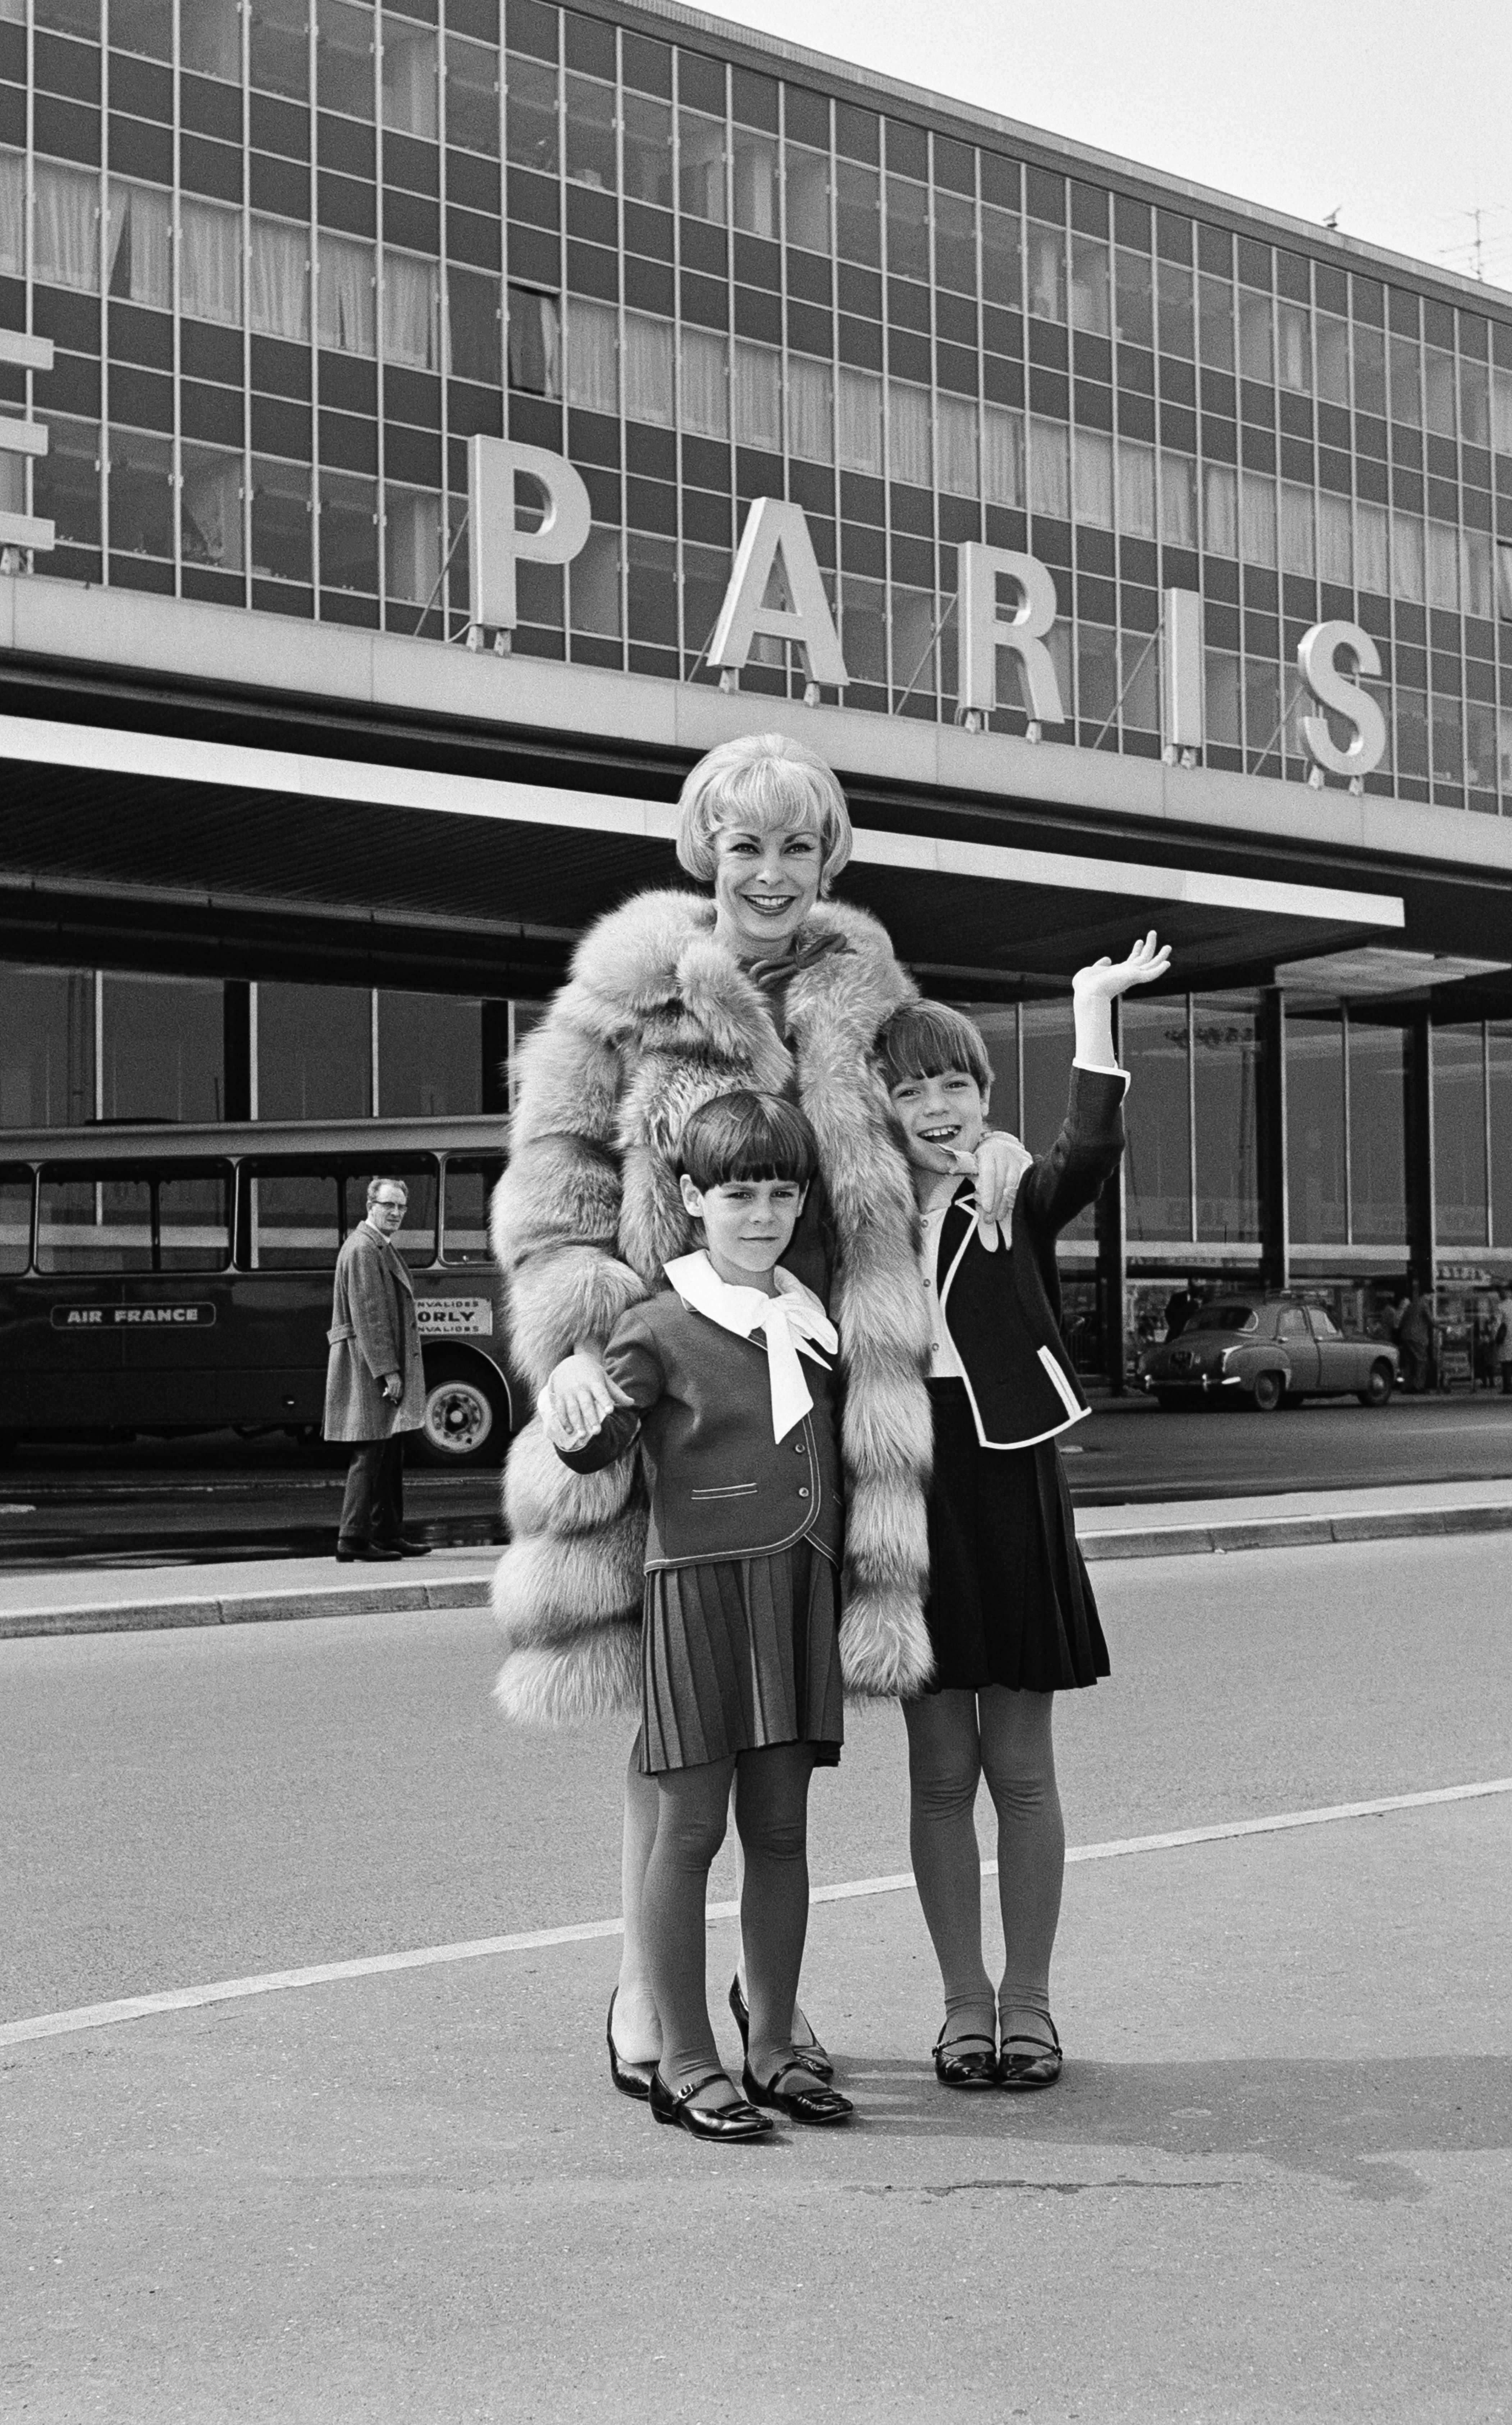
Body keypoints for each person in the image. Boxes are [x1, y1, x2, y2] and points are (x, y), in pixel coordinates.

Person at [491, 730, 1032, 2100]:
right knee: (668, 1729)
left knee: (779, 1736)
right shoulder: (614, 1008)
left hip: (830, 1407)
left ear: (829, 860)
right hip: (666, 1390)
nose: (772, 874)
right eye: (747, 846)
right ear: (704, 853)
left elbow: (939, 1138)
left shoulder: (873, 1006)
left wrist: (997, 1155)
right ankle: (643, 1990)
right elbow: (550, 1210)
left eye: (800, 847)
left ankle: (770, 2015)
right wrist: (577, 1336)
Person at [876, 931, 1173, 2094]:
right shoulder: (862, 1218)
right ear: (882, 1109)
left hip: (1007, 1479)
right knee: (939, 1768)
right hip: (909, 1487)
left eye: (956, 1083)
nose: (938, 1106)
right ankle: (963, 2007)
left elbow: (1084, 1154)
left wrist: (1089, 1010)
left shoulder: (1013, 1189)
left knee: (1022, 1765)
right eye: (912, 1089)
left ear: (983, 1094)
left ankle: (1031, 2005)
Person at [548, 1093, 855, 2142]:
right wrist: (574, 1396)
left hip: (797, 1593)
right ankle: (683, 2059)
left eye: (780, 1193)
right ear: (691, 1200)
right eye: (737, 1194)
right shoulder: (660, 1325)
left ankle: (771, 2042)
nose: (761, 1214)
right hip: (699, 1596)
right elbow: (597, 1445)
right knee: (689, 1830)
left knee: (782, 1829)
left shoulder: (812, 1324)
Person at [325, 1175, 428, 1563]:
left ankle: (387, 1531)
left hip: (372, 1362)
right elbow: (370, 1316)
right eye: (389, 1205)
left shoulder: (376, 1246)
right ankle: (351, 1538)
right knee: (370, 1450)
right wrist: (388, 1371)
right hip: (368, 1365)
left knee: (389, 1448)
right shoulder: (365, 1249)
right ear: (371, 1206)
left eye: (401, 1206)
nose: (397, 1213)